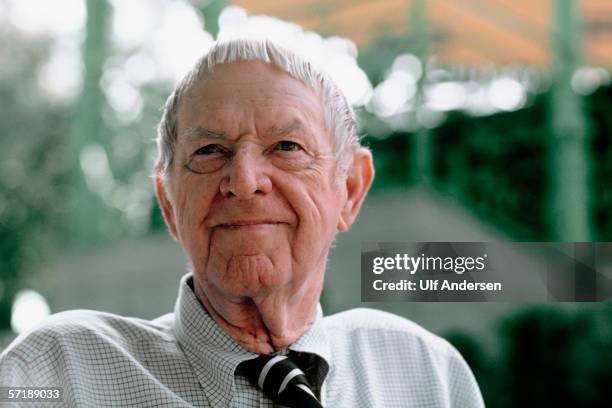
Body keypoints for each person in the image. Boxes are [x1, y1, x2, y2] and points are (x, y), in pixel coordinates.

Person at [0, 38, 484, 407]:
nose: (245, 179)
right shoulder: (56, 373)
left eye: (287, 147)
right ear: (169, 203)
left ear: (350, 190)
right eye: (210, 151)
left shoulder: (428, 375)